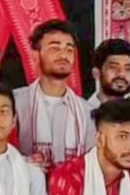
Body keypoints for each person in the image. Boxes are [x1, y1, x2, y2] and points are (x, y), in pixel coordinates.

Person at [14, 19, 95, 169]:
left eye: (69, 50)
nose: (63, 55)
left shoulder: (87, 112)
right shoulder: (15, 103)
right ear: (35, 55)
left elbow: (92, 164)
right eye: (55, 48)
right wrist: (26, 164)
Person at [87, 38, 130, 109]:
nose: (121, 74)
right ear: (96, 73)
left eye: (127, 69)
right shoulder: (83, 112)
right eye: (113, 67)